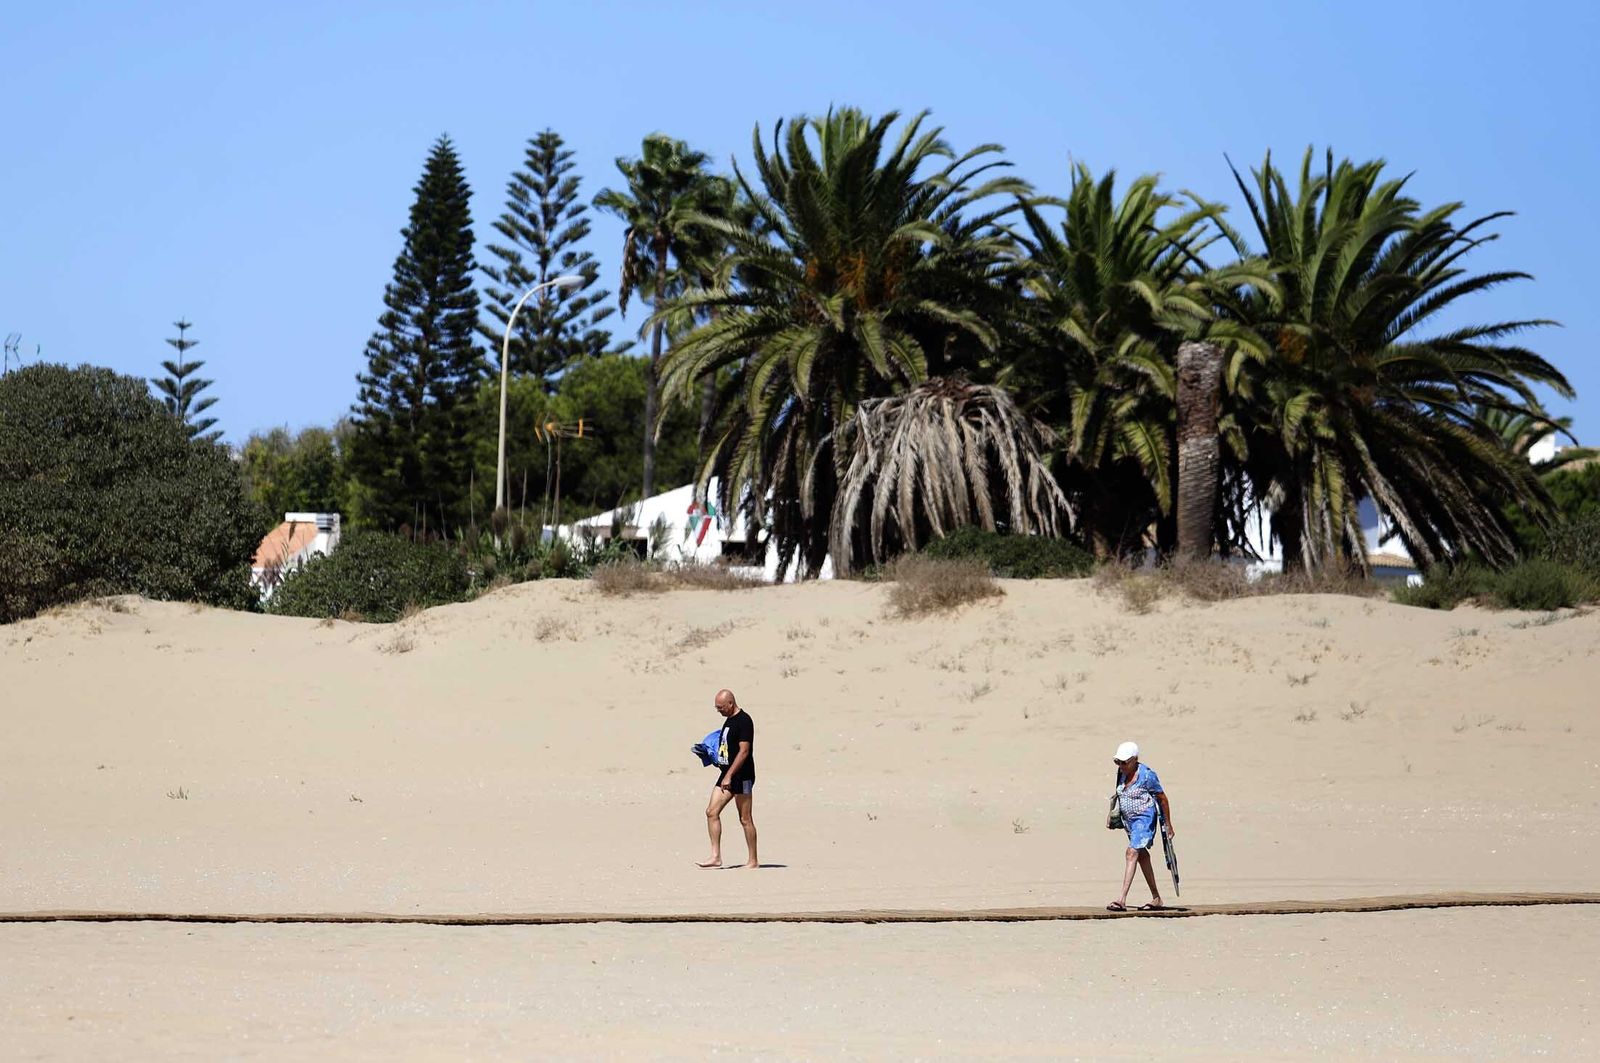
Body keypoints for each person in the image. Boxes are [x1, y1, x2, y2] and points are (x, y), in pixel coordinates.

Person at [1107, 740, 1173, 912]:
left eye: (1124, 762)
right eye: (1117, 762)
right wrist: (1113, 815)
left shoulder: (1147, 776)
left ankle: (1121, 899)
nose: (1121, 766)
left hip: (1144, 820)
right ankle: (1156, 898)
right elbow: (1118, 794)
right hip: (1129, 821)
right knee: (1141, 855)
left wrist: (1168, 824)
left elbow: (1162, 799)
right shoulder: (1121, 773)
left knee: (1131, 852)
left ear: (1135, 759)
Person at [697, 688, 758, 869]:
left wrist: (730, 775)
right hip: (726, 774)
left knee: (745, 818)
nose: (719, 711)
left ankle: (753, 860)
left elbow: (744, 751)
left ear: (730, 703)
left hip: (742, 776)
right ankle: (715, 857)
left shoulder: (744, 721)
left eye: (721, 707)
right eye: (717, 708)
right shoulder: (729, 721)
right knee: (711, 812)